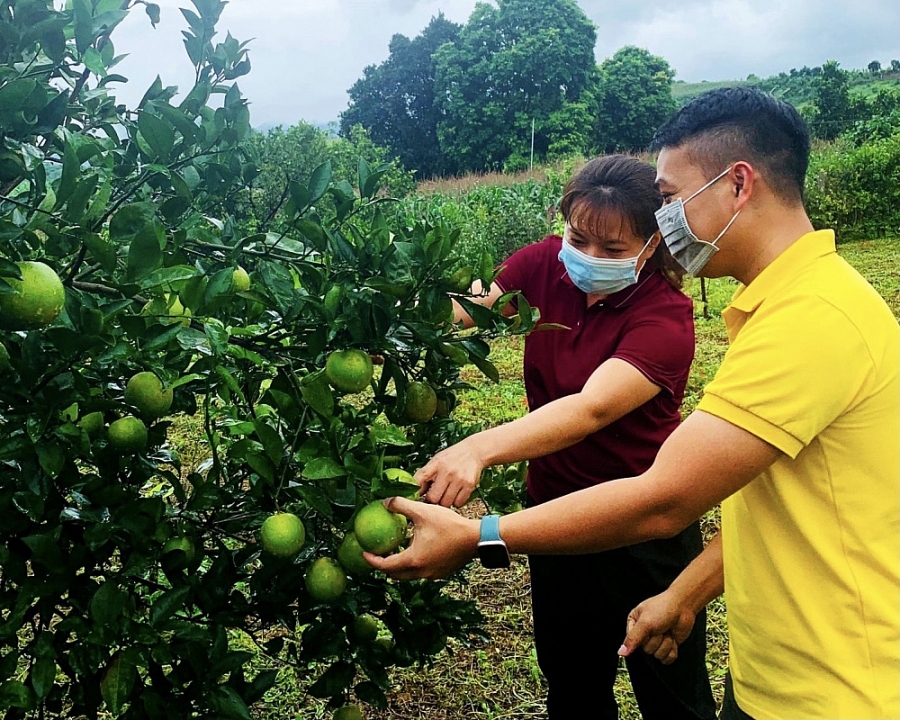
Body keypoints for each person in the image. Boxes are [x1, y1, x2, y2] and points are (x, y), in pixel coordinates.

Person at [367, 87, 900, 720]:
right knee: (575, 686)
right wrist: (687, 591)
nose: (668, 218)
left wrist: (479, 535)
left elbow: (663, 497)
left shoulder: (810, 319)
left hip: (836, 692)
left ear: (738, 185)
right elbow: (779, 502)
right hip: (776, 679)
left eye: (672, 199)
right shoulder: (786, 303)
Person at [412, 154, 715, 720]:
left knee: (672, 694)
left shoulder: (664, 317)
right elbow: (472, 313)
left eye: (614, 250)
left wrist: (479, 447)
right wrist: (394, 331)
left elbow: (592, 408)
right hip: (553, 515)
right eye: (579, 238)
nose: (589, 258)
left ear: (653, 247)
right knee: (572, 680)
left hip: (640, 522)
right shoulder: (542, 265)